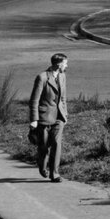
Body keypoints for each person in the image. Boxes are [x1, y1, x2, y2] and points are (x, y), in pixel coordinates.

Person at [29, 53, 69, 182]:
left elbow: (63, 98)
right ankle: (42, 165)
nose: (67, 66)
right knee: (43, 146)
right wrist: (34, 120)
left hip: (59, 116)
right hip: (44, 117)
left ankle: (54, 174)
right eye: (65, 63)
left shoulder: (62, 76)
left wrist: (65, 114)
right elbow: (34, 100)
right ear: (58, 65)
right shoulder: (42, 77)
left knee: (57, 144)